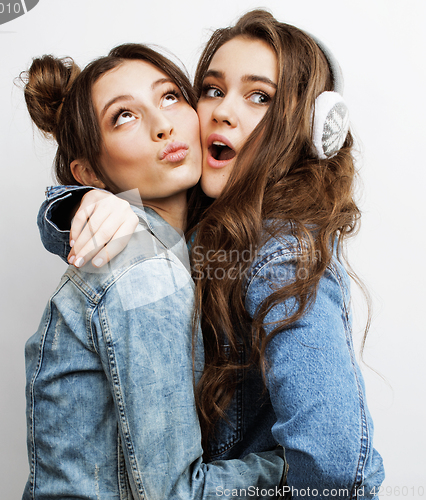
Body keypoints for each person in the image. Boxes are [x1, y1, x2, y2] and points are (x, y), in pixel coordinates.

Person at [36, 10, 385, 499]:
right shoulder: (189, 239)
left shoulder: (278, 253)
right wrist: (85, 202)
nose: (221, 111)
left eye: (259, 96)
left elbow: (336, 467)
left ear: (309, 126)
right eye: (213, 90)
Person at [22, 43, 288, 500]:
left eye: (169, 97)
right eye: (124, 116)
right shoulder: (144, 268)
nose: (163, 125)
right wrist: (299, 467)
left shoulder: (186, 248)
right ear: (90, 173)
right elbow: (175, 494)